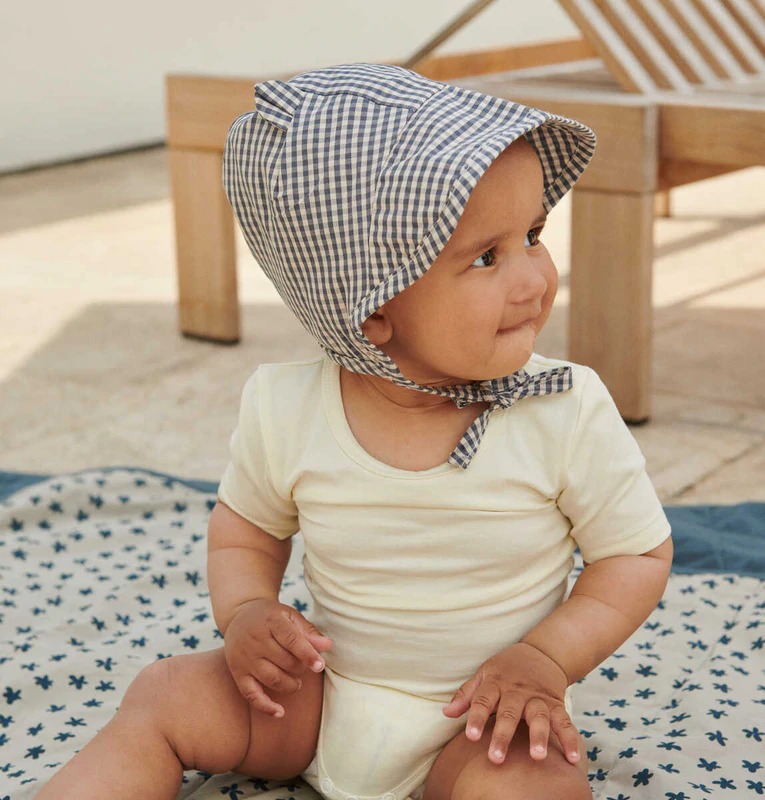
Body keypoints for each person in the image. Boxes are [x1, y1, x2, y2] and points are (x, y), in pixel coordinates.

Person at [35, 62, 673, 800]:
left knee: (540, 781)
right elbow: (245, 532)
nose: (534, 278)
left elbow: (634, 554)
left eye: (533, 234)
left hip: (482, 719)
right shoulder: (286, 406)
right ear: (372, 312)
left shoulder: (565, 407)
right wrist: (246, 613)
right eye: (487, 257)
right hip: (316, 698)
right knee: (164, 694)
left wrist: (547, 658)